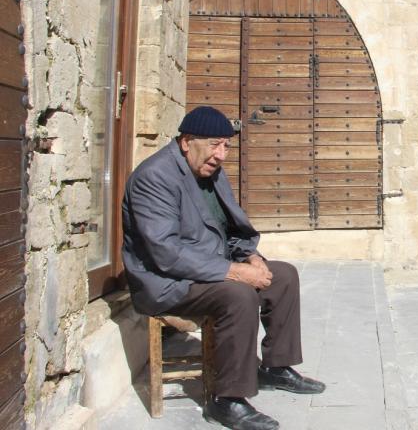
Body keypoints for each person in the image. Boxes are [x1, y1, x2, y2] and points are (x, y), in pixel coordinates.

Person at [122, 106, 324, 430]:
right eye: (215, 144)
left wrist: (251, 257)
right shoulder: (154, 178)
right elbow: (165, 253)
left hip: (206, 266)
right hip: (167, 281)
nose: (221, 155)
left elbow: (230, 227)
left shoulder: (210, 172)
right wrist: (236, 272)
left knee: (283, 275)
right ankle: (227, 400)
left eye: (226, 146)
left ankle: (275, 368)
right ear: (187, 142)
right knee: (238, 296)